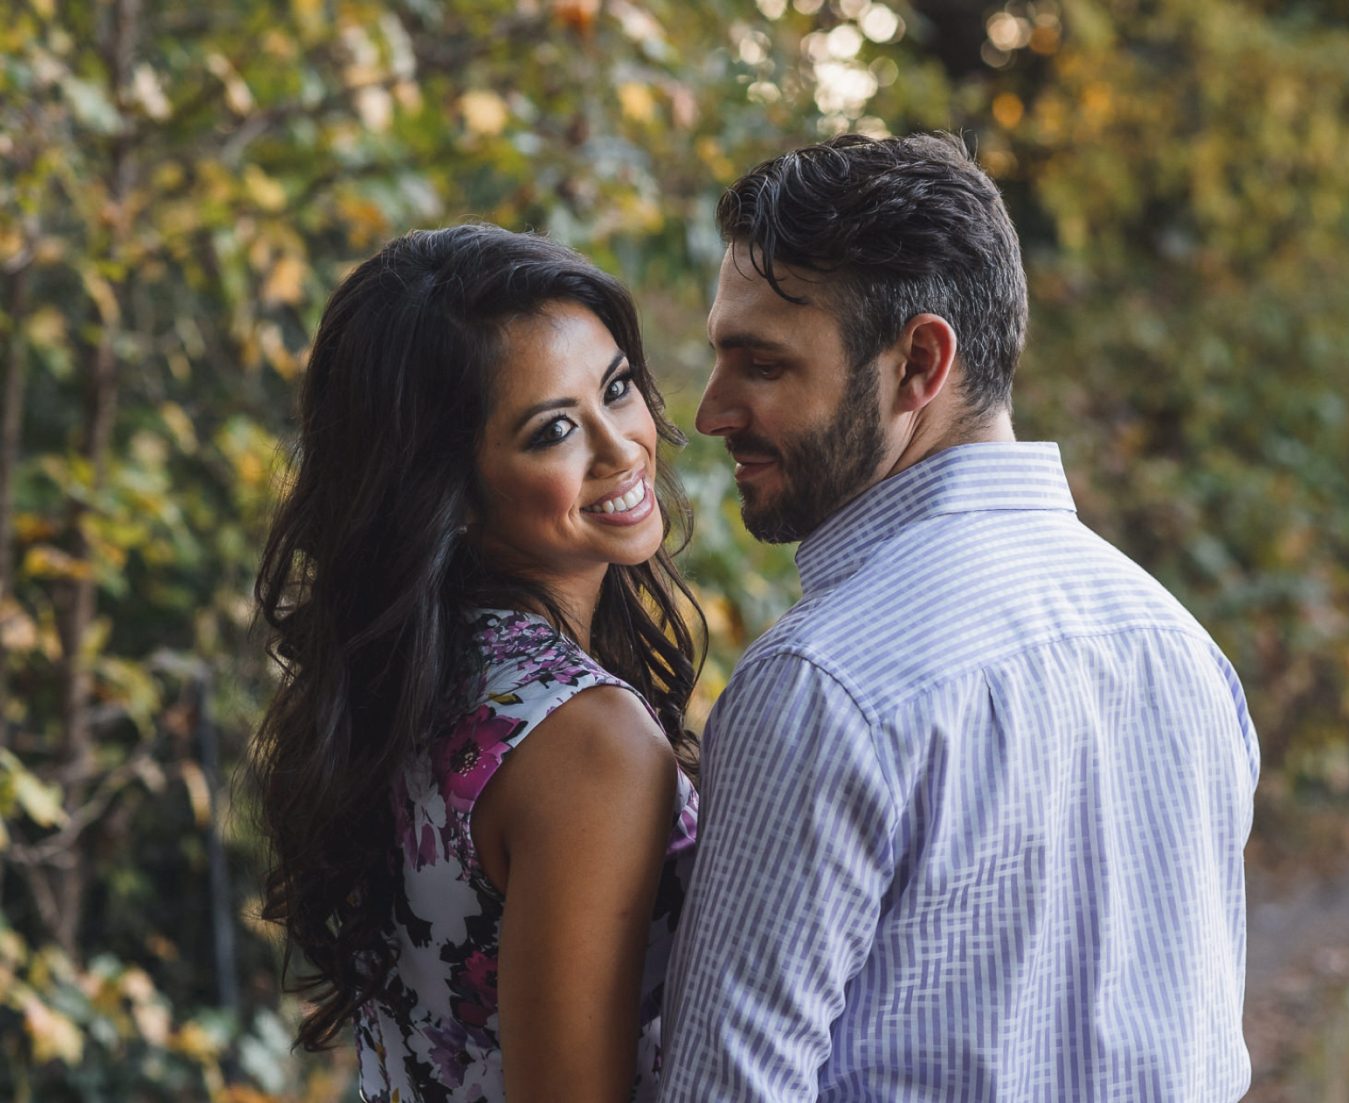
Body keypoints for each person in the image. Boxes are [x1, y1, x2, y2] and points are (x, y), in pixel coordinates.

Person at [660, 133, 1260, 1101]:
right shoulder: (1182, 648)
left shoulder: (823, 689)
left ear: (918, 364)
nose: (711, 406)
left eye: (761, 363)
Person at [249, 224, 701, 1102]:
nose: (620, 448)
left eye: (617, 388)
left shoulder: (410, 680)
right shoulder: (584, 738)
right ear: (448, 493)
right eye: (555, 430)